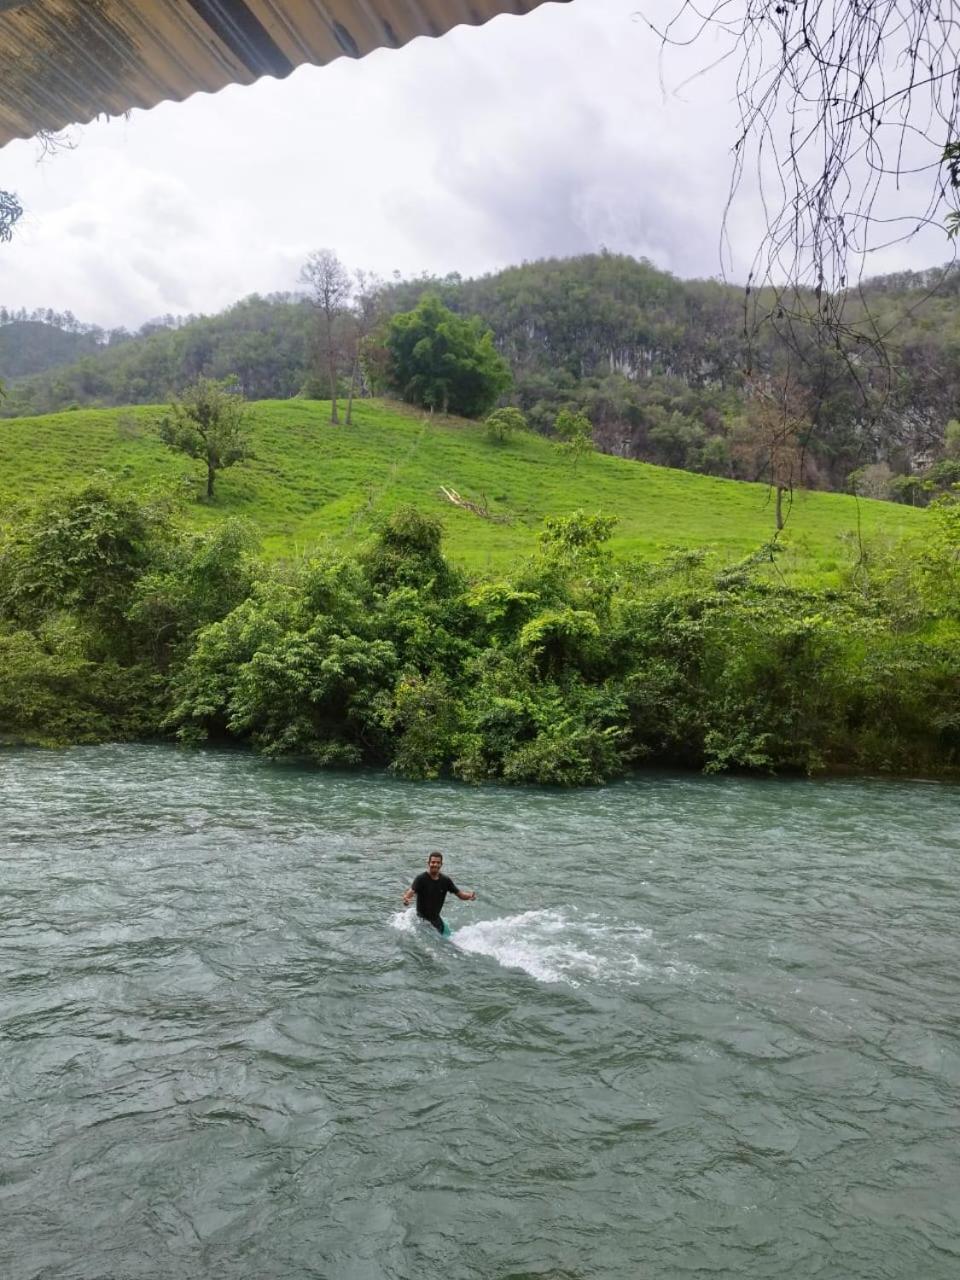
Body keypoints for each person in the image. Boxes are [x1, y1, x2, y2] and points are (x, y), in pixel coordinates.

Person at [403, 851, 475, 934]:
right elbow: (411, 891)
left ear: (441, 864)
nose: (435, 865)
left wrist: (470, 896)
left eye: (438, 863)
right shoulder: (421, 879)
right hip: (421, 922)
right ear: (428, 863)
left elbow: (460, 895)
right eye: (433, 862)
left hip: (436, 921)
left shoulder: (446, 880)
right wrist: (406, 899)